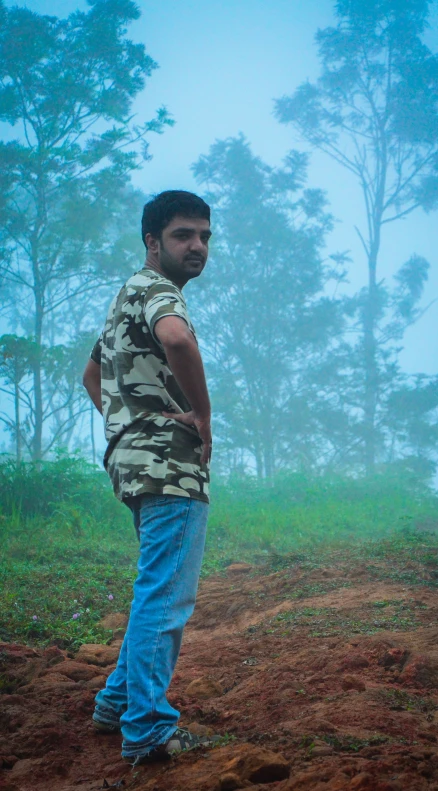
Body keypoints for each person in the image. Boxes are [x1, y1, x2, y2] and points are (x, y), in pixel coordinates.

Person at [82, 190, 217, 765]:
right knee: (165, 598)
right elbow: (179, 339)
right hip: (170, 466)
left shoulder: (125, 299)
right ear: (152, 242)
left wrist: (127, 430)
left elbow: (92, 376)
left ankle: (116, 703)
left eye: (206, 236)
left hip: (135, 464)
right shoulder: (159, 293)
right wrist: (202, 418)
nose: (198, 246)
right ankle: (148, 730)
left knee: (153, 591)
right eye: (184, 234)